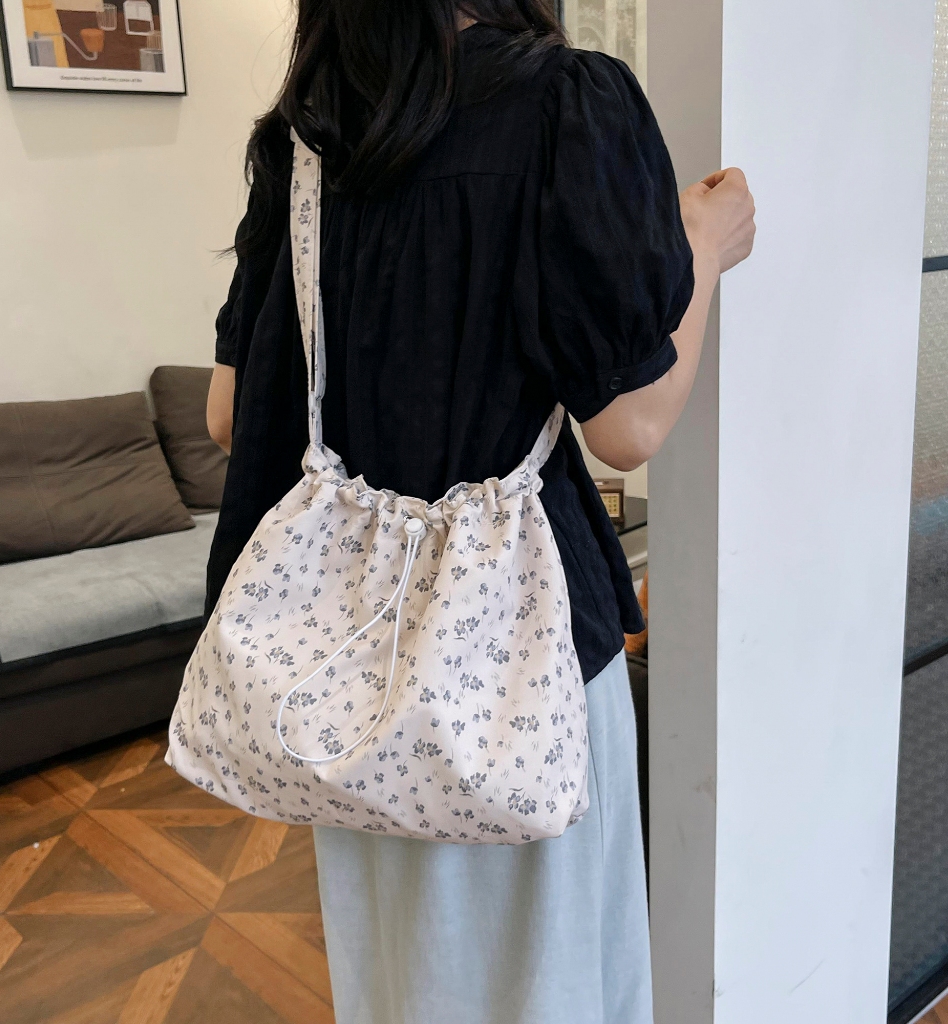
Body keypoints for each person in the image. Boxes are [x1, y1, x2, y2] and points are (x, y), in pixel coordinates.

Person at [204, 2, 755, 1021]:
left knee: (402, 979)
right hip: (523, 656)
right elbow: (629, 425)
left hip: (350, 680)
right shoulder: (564, 104)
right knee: (552, 980)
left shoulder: (306, 142)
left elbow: (230, 417)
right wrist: (702, 251)